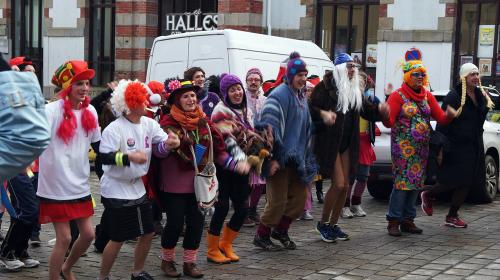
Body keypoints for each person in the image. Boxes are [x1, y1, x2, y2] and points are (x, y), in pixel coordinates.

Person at [155, 79, 249, 278]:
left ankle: (190, 263)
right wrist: (168, 146)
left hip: (200, 185)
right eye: (186, 96)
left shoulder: (204, 123)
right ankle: (167, 260)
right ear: (177, 100)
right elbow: (158, 152)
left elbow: (219, 152)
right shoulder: (167, 123)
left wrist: (235, 164)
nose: (191, 99)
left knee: (197, 223)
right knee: (174, 224)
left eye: (193, 96)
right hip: (174, 184)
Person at [97, 80, 180, 280]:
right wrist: (129, 157)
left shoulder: (149, 124)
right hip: (115, 189)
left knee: (148, 232)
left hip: (137, 188)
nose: (147, 102)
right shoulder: (114, 129)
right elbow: (105, 158)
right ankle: (103, 277)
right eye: (142, 99)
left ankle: (137, 272)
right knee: (118, 238)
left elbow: (161, 146)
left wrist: (172, 143)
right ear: (132, 103)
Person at [311, 53, 387, 243]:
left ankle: (333, 225)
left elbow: (367, 110)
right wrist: (323, 114)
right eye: (349, 67)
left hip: (347, 143)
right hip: (330, 143)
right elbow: (310, 109)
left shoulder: (354, 90)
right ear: (339, 69)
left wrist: (381, 110)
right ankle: (322, 223)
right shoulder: (324, 87)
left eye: (354, 67)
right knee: (337, 184)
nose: (353, 70)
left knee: (345, 185)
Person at [36, 60, 101, 280]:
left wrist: (124, 159)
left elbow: (99, 146)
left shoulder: (90, 110)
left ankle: (67, 268)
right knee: (63, 238)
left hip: (79, 182)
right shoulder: (51, 111)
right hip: (55, 184)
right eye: (78, 84)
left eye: (86, 83)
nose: (84, 88)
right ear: (67, 88)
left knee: (89, 234)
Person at [383, 49, 456, 236]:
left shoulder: (427, 96)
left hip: (421, 149)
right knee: (402, 184)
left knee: (415, 183)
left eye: (422, 74)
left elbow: (439, 117)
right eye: (416, 74)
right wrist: (383, 113)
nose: (420, 77)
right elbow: (389, 122)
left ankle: (408, 219)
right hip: (402, 149)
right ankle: (393, 220)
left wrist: (448, 115)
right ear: (407, 76)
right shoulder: (397, 96)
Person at [252, 52, 318, 251]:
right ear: (290, 75)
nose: (303, 79)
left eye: (305, 75)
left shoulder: (300, 96)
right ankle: (261, 235)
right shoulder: (279, 95)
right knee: (277, 201)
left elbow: (305, 126)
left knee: (299, 201)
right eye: (299, 75)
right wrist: (271, 158)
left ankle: (280, 231)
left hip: (297, 160)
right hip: (278, 159)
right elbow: (267, 128)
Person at [421, 63, 494, 228]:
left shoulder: (480, 94)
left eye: (477, 74)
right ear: (463, 77)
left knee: (467, 182)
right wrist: (439, 149)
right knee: (452, 180)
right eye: (472, 74)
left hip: (473, 144)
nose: (476, 77)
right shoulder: (453, 96)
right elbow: (442, 124)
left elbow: (479, 118)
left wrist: (484, 100)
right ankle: (428, 193)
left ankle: (452, 215)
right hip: (455, 145)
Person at [206, 73, 256, 264]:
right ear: (225, 93)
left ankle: (226, 244)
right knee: (222, 207)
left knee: (243, 209)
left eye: (238, 88)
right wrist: (240, 161)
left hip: (242, 167)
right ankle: (212, 249)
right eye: (232, 90)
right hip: (224, 167)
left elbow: (250, 134)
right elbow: (227, 141)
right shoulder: (220, 111)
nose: (237, 93)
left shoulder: (244, 109)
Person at [342, 72, 380, 218]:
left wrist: (387, 99)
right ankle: (344, 205)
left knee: (363, 176)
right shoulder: (348, 100)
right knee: (350, 176)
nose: (361, 86)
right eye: (359, 83)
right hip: (352, 142)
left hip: (365, 142)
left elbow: (379, 111)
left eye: (363, 83)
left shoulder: (371, 99)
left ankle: (356, 203)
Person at [243, 68, 267, 226]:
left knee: (259, 180)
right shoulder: (241, 96)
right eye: (250, 79)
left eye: (256, 79)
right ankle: (244, 211)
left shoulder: (265, 100)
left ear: (260, 82)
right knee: (246, 180)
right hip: (245, 142)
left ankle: (253, 209)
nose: (253, 82)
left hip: (261, 143)